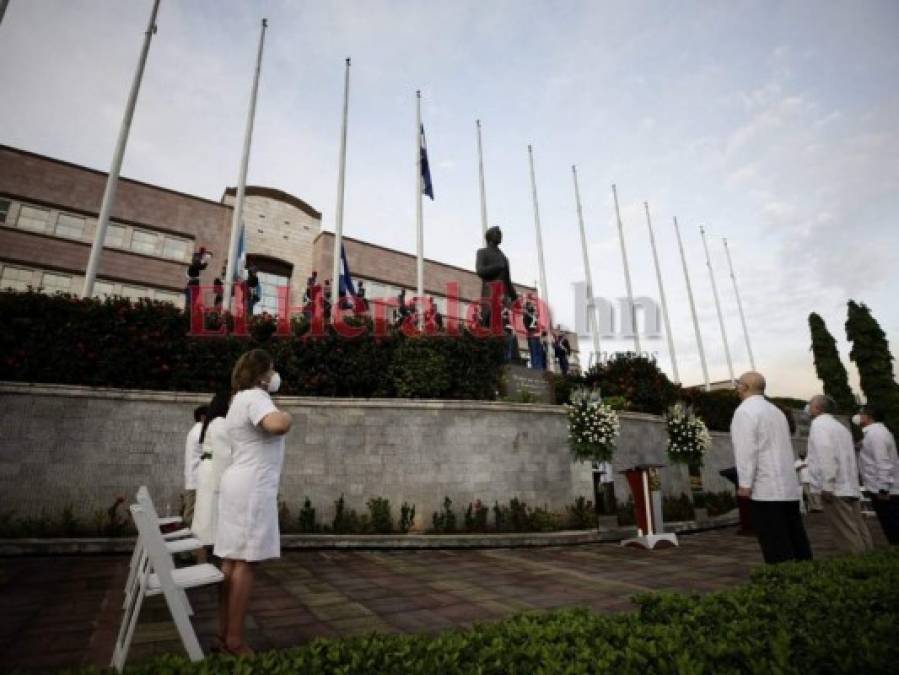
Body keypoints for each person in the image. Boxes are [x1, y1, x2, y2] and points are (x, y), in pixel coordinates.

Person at [214, 350, 292, 655]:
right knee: (247, 561)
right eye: (272, 370)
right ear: (262, 374)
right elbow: (276, 425)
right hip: (252, 486)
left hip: (237, 483)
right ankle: (235, 640)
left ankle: (223, 634)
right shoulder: (257, 396)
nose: (275, 376)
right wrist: (287, 415)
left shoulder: (237, 400)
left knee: (231, 560)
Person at [731, 371, 812, 563]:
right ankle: (807, 576)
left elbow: (746, 450)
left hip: (766, 487)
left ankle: (783, 581)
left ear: (745, 387)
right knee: (796, 536)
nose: (736, 388)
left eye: (738, 385)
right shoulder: (776, 411)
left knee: (774, 541)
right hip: (787, 486)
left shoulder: (744, 411)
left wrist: (745, 483)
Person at [806, 395, 872, 553]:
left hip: (835, 488)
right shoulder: (840, 427)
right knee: (858, 528)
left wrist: (827, 485)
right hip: (849, 484)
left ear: (817, 408)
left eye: (810, 404)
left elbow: (826, 455)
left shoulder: (819, 425)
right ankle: (870, 560)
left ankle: (857, 567)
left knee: (846, 533)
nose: (807, 407)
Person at [191, 392, 233, 559]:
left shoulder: (212, 422)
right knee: (208, 520)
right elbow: (224, 454)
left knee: (204, 520)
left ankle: (201, 560)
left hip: (207, 472)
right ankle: (203, 562)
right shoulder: (220, 423)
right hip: (213, 474)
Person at [856, 404, 899, 544]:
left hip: (884, 491)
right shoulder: (876, 433)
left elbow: (883, 463)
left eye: (860, 413)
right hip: (883, 488)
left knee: (892, 527)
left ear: (868, 416)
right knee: (890, 526)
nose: (858, 416)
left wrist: (883, 488)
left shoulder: (876, 434)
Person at [475, 226, 517, 328]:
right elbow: (480, 271)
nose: (500, 235)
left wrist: (515, 297)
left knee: (504, 328)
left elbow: (507, 281)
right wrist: (497, 267)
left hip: (504, 300)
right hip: (490, 296)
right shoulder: (482, 252)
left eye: (500, 233)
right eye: (497, 233)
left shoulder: (504, 258)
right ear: (490, 236)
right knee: (490, 327)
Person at [183, 405, 208, 527]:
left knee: (191, 514)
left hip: (193, 478)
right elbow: (208, 453)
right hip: (196, 479)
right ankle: (186, 543)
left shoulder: (195, 430)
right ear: (203, 417)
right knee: (191, 517)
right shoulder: (200, 431)